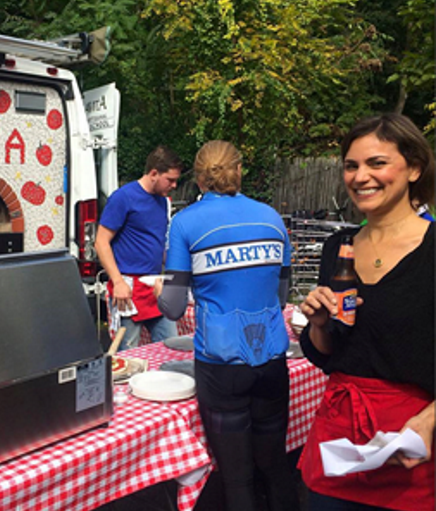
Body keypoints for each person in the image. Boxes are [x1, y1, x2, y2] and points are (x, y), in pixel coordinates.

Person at [298, 113, 434, 511]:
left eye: (377, 163)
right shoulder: (338, 247)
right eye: (351, 166)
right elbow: (329, 352)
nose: (360, 177)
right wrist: (319, 325)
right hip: (338, 440)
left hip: (415, 444)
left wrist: (429, 422)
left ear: (413, 169)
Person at [155, 140, 299, 511]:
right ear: (239, 171)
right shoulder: (271, 217)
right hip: (271, 358)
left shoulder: (186, 222)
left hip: (221, 365)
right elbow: (281, 297)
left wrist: (161, 287)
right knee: (274, 464)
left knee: (237, 478)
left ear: (199, 179)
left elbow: (172, 309)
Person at [94, 145, 182, 350]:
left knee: (170, 346)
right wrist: (117, 282)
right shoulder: (123, 197)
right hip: (128, 288)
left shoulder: (164, 202)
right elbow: (101, 241)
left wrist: (175, 275)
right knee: (129, 353)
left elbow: (158, 244)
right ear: (153, 173)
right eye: (170, 179)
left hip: (155, 287)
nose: (175, 185)